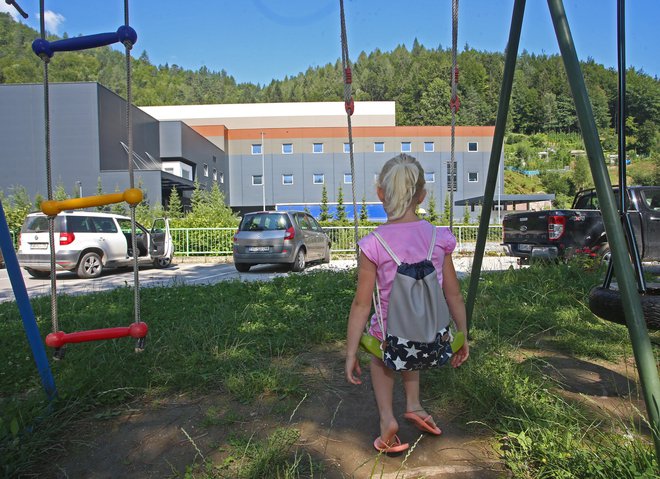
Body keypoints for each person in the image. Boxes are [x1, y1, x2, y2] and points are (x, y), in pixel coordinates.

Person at [345, 153, 469, 454]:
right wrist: (463, 335)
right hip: (432, 336)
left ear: (380, 194)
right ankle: (413, 403)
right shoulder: (440, 237)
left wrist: (350, 352)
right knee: (411, 335)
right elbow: (453, 293)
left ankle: (387, 419)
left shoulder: (373, 244)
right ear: (422, 196)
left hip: (392, 339)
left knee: (382, 349)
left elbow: (362, 305)